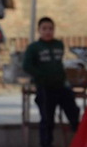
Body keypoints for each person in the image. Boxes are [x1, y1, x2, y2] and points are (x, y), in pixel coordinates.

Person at [23, 17, 80, 147]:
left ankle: (78, 139)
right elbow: (26, 65)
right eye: (44, 29)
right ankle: (46, 143)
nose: (48, 32)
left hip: (61, 86)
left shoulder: (58, 45)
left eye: (50, 29)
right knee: (47, 119)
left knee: (73, 111)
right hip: (45, 87)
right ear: (39, 30)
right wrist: (41, 75)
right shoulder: (34, 48)